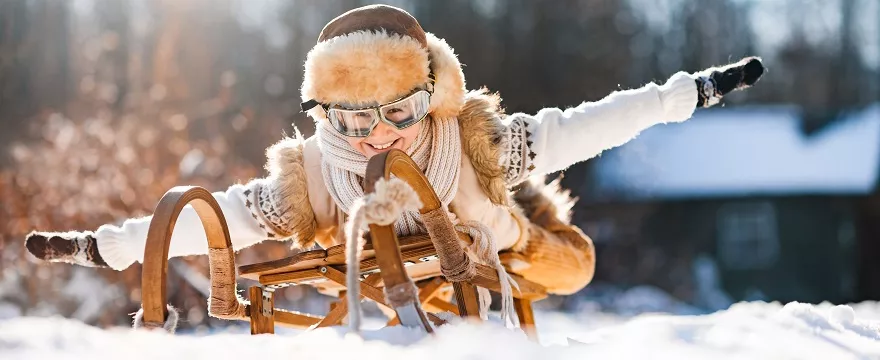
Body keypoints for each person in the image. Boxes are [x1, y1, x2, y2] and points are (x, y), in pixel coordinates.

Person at [24, 4, 763, 320]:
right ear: (326, 114)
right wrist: (105, 244)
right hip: (404, 273)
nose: (378, 136)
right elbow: (224, 217)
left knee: (576, 264)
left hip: (501, 235)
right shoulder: (313, 173)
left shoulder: (474, 141)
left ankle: (524, 241)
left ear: (427, 93)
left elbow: (587, 126)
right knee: (413, 279)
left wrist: (687, 94)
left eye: (398, 114)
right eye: (353, 118)